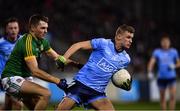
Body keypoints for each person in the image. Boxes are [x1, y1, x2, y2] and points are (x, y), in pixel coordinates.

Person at [0, 14, 71, 110]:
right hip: (11, 78)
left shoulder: (42, 42)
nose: (46, 31)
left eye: (46, 28)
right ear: (33, 28)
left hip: (25, 79)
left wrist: (76, 65)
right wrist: (57, 81)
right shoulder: (27, 42)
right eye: (42, 28)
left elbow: (57, 57)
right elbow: (35, 71)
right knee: (45, 93)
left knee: (35, 106)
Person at [56, 24, 135, 110]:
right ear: (119, 36)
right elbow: (78, 45)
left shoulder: (126, 59)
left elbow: (113, 75)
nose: (130, 41)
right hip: (80, 86)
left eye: (131, 38)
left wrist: (125, 84)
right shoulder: (103, 43)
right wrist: (64, 58)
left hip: (97, 93)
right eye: (128, 37)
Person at [147, 35, 180, 110]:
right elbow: (151, 62)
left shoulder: (174, 52)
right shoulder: (157, 52)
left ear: (169, 43)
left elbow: (179, 63)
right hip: (161, 77)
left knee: (172, 96)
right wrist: (149, 72)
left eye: (166, 42)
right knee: (162, 97)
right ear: (161, 43)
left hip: (171, 77)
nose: (165, 44)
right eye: (164, 42)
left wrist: (174, 66)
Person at [0, 17, 23, 110]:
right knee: (19, 104)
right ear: (6, 29)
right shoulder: (1, 43)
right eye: (10, 28)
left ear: (18, 28)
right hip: (6, 78)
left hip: (20, 77)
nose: (13, 30)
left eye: (15, 28)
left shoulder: (24, 41)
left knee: (7, 107)